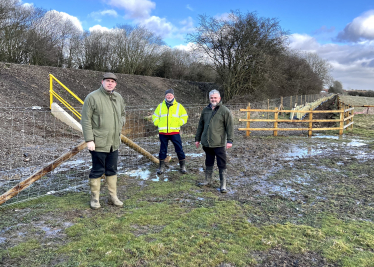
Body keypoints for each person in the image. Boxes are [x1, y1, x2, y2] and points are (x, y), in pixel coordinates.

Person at [81, 72, 125, 209]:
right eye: (107, 81)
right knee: (97, 170)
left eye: (112, 81)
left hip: (114, 142)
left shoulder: (118, 97)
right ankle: (95, 199)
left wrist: (120, 123)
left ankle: (113, 197)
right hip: (98, 142)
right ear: (102, 82)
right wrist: (89, 140)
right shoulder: (92, 97)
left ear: (115, 84)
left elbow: (123, 113)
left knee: (112, 169)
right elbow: (86, 120)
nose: (110, 83)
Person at [195, 89, 234, 193]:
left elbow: (229, 127)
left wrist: (230, 140)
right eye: (211, 98)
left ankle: (223, 184)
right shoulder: (205, 110)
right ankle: (207, 180)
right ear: (209, 98)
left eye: (215, 97)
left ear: (219, 98)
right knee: (208, 161)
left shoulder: (224, 111)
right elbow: (200, 126)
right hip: (207, 142)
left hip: (219, 142)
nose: (213, 99)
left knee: (222, 162)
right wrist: (197, 139)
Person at [152, 89, 188, 175]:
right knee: (162, 150)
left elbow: (184, 117)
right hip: (163, 132)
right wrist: (158, 123)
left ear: (173, 96)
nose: (169, 96)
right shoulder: (160, 106)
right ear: (165, 96)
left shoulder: (179, 106)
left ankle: (182, 166)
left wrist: (178, 123)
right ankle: (161, 167)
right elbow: (155, 116)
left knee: (179, 149)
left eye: (170, 95)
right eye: (167, 95)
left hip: (174, 132)